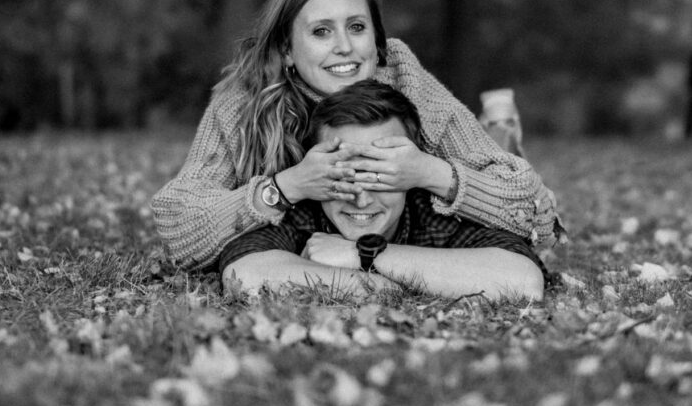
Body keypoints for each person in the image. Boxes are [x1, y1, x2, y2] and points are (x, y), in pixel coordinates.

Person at [150, 0, 560, 272]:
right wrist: (289, 185)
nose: (344, 46)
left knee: (499, 161)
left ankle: (500, 130)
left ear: (378, 43)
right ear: (288, 50)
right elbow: (178, 229)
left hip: (405, 222)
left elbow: (536, 217)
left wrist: (429, 172)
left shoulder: (402, 79)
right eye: (321, 32)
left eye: (357, 27)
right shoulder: (247, 98)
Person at [218, 80, 547, 301]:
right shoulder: (302, 208)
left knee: (508, 162)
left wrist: (361, 255)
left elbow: (523, 280)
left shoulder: (433, 209)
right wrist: (374, 284)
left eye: (380, 175)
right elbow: (244, 273)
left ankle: (501, 130)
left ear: (408, 170)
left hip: (497, 185)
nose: (361, 198)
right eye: (344, 175)